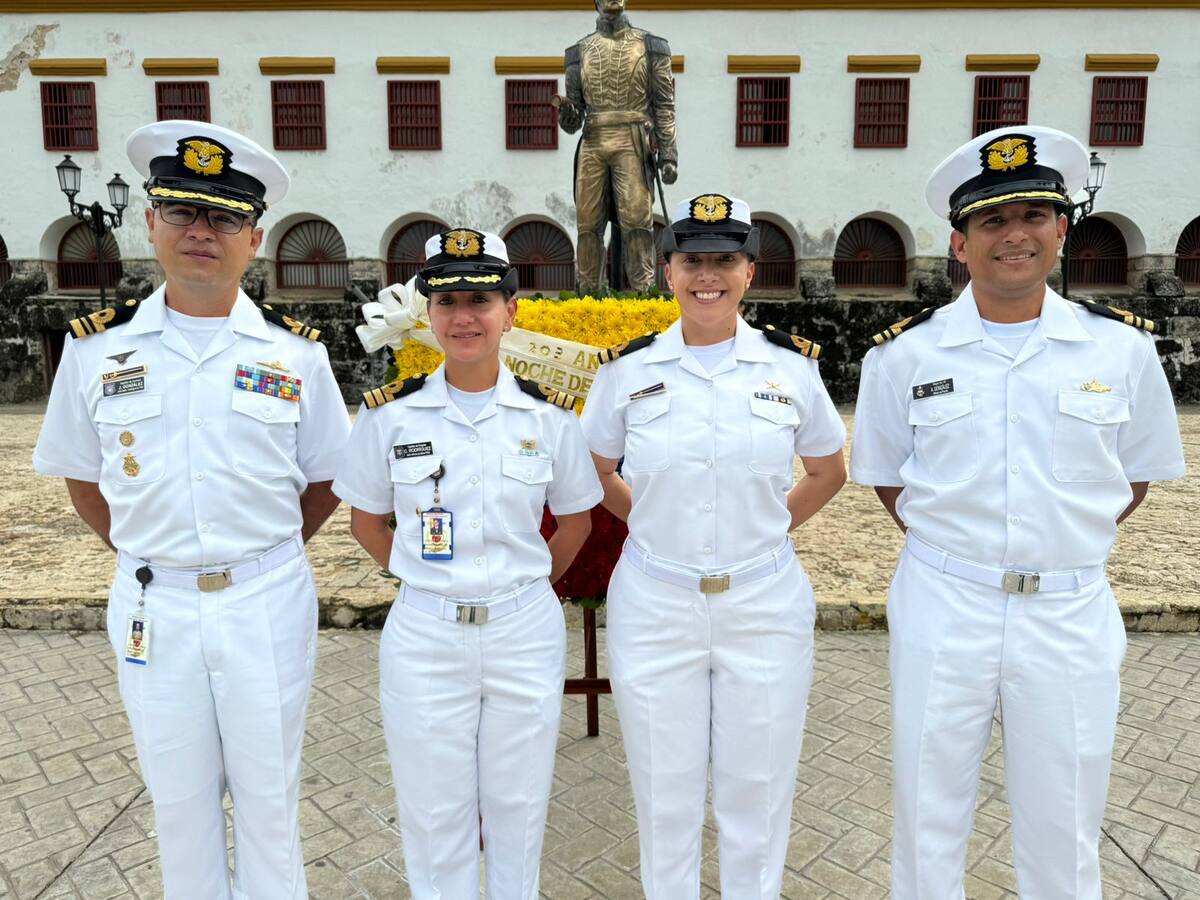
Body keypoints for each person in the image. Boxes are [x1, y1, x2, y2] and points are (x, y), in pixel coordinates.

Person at [850, 126, 1186, 900]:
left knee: (1064, 823)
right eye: (992, 221)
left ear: (1063, 229)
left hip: (1068, 610)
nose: (1015, 236)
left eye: (1033, 215)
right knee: (928, 813)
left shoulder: (1121, 352)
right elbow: (890, 482)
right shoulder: (903, 355)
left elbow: (1133, 477)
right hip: (945, 603)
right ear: (960, 244)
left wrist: (1056, 537)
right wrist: (967, 547)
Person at [32, 120, 350, 898]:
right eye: (182, 211)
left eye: (225, 217)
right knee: (177, 803)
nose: (202, 231)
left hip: (266, 601)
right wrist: (156, 552)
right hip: (154, 605)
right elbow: (81, 475)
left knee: (270, 802)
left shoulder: (296, 353)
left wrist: (259, 552)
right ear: (150, 223)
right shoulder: (95, 351)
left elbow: (326, 478)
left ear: (255, 238)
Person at [580, 194, 847, 899]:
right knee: (664, 794)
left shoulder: (791, 369)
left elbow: (828, 470)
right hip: (656, 600)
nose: (708, 275)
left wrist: (767, 528)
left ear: (749, 273)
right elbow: (596, 469)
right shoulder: (626, 371)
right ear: (668, 271)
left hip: (762, 600)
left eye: (724, 260)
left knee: (755, 794)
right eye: (693, 260)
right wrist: (648, 521)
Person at [333, 228, 603, 899]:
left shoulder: (552, 418)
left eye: (481, 298)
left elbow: (577, 521)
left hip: (522, 630)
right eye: (447, 298)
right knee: (433, 812)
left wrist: (530, 580)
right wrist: (425, 580)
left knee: (518, 807)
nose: (464, 315)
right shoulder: (388, 417)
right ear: (427, 313)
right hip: (425, 634)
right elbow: (364, 521)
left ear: (511, 311)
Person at [559, 0, 678, 294]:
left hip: (633, 136)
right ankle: (587, 294)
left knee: (637, 223)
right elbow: (574, 121)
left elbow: (664, 104)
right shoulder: (578, 51)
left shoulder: (651, 45)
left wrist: (669, 153)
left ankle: (643, 293)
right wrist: (566, 112)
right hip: (594, 139)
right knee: (588, 225)